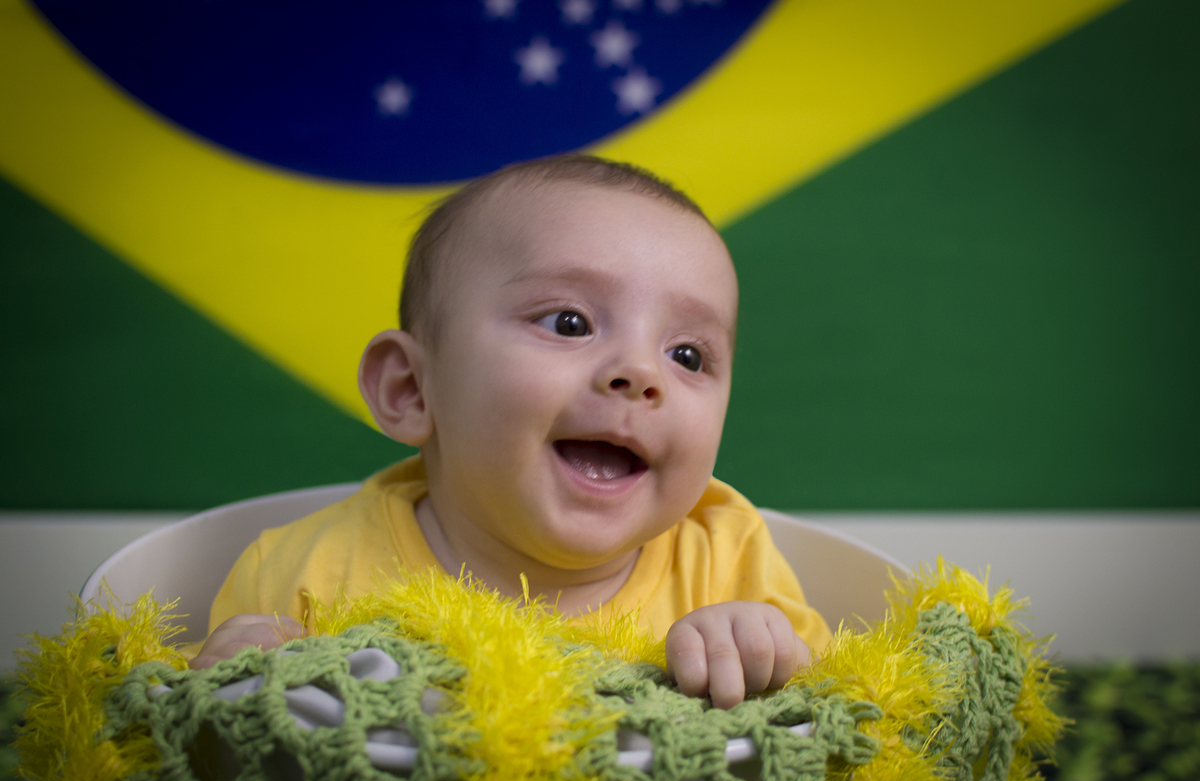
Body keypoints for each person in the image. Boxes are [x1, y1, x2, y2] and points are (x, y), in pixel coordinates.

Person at [191, 155, 832, 709]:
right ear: (411, 389)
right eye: (569, 323)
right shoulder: (308, 572)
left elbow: (841, 714)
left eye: (687, 356)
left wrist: (763, 653)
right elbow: (199, 743)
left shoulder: (727, 561)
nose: (639, 372)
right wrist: (228, 674)